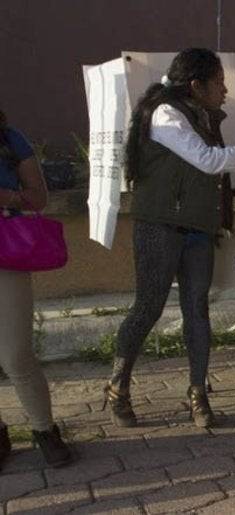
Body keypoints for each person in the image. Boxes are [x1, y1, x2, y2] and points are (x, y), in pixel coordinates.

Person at [104, 48, 235, 428]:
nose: (225, 90)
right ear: (196, 85)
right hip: (159, 227)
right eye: (219, 82)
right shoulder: (165, 114)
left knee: (197, 311)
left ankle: (198, 393)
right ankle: (117, 386)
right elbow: (208, 160)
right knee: (149, 308)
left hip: (197, 230)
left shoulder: (203, 115)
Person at [0, 110, 73, 468]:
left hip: (5, 252)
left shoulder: (9, 138)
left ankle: (45, 429)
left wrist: (7, 198)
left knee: (15, 353)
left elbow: (38, 198)